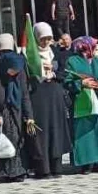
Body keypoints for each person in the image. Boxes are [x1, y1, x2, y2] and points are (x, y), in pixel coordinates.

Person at [0, 35, 33, 183]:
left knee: (16, 139)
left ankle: (17, 171)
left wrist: (29, 115)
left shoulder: (19, 69)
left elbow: (24, 94)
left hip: (15, 111)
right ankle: (0, 173)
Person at [27, 22, 72, 178]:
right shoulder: (29, 53)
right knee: (42, 132)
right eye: (42, 39)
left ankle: (56, 167)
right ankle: (43, 168)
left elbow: (63, 71)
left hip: (55, 94)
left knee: (56, 130)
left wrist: (54, 74)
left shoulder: (55, 52)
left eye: (48, 38)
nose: (45, 42)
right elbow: (27, 75)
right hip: (38, 96)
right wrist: (38, 74)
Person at [64, 36, 98, 174]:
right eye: (93, 47)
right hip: (82, 101)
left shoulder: (96, 61)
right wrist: (81, 83)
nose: (95, 50)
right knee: (84, 133)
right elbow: (67, 81)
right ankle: (86, 163)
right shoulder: (72, 61)